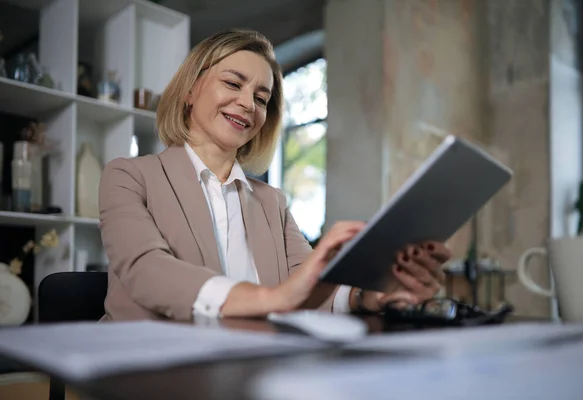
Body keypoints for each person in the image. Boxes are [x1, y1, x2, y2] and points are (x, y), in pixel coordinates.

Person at [98, 29, 451, 322]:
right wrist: (274, 297)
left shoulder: (271, 201)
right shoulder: (128, 176)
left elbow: (308, 288)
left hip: (246, 364)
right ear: (190, 90)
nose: (248, 104)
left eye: (262, 98)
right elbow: (147, 273)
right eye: (233, 83)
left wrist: (369, 295)